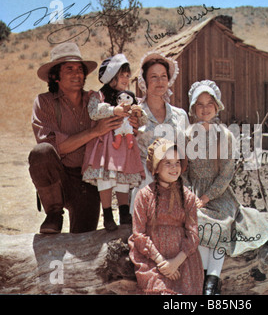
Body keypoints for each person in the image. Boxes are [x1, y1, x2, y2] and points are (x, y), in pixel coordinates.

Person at [184, 80, 268, 295]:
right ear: (193, 108)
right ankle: (205, 274)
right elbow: (183, 172)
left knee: (220, 224)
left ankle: (212, 282)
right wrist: (190, 194)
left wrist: (207, 196)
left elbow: (227, 173)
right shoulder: (187, 135)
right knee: (196, 222)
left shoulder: (224, 135)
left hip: (219, 193)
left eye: (209, 103)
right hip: (194, 192)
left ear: (217, 106)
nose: (205, 109)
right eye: (200, 104)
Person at [29, 42, 125, 234]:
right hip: (59, 176)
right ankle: (54, 213)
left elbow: (115, 122)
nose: (77, 74)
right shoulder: (44, 102)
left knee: (83, 240)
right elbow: (55, 147)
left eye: (80, 69)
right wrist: (93, 131)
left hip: (87, 180)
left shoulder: (95, 100)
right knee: (41, 153)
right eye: (69, 69)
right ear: (56, 76)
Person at [128, 138, 204, 295]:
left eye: (177, 162)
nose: (174, 167)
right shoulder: (144, 196)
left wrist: (175, 263)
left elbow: (193, 234)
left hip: (182, 260)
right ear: (156, 167)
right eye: (168, 163)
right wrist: (162, 262)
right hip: (152, 260)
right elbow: (139, 234)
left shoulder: (187, 197)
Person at [82, 54, 147, 231]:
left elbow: (142, 119)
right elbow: (93, 112)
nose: (127, 79)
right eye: (123, 75)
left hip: (125, 146)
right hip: (105, 147)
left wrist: (138, 116)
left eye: (128, 75)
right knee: (105, 178)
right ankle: (108, 214)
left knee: (123, 179)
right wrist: (113, 110)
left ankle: (124, 213)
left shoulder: (130, 97)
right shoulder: (99, 96)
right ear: (112, 77)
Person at [129, 51, 189, 214]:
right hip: (145, 176)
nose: (160, 81)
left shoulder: (180, 115)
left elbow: (185, 153)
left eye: (163, 76)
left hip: (174, 174)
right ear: (145, 81)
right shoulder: (135, 113)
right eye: (154, 77)